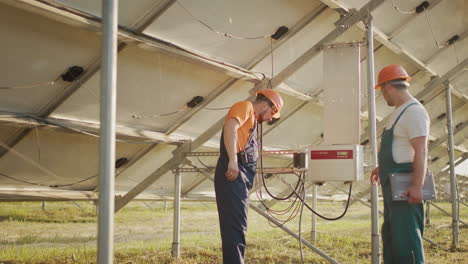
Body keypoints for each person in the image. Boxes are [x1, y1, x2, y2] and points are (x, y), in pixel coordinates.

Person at [214, 89, 284, 264]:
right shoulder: (244, 106)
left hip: (241, 178)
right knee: (234, 228)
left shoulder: (252, 121)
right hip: (233, 174)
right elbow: (230, 126)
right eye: (271, 115)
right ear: (268, 106)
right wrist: (233, 160)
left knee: (238, 226)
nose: (269, 120)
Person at [370, 64, 430, 264]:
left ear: (388, 86)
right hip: (392, 184)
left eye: (382, 91)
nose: (383, 96)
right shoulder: (399, 112)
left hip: (405, 186)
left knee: (406, 240)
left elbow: (420, 150)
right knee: (392, 237)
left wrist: (417, 186)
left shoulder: (414, 111)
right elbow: (401, 148)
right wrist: (382, 167)